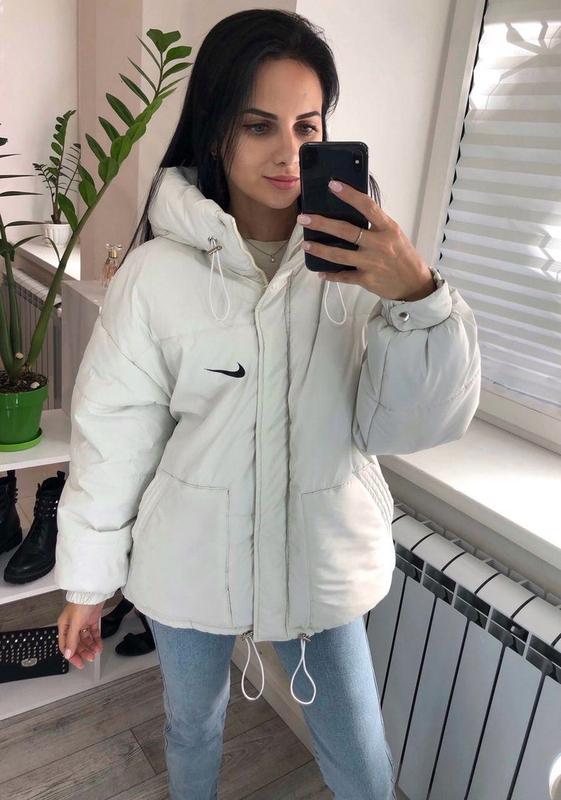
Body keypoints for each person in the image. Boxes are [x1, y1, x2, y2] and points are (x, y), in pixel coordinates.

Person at [55, 9, 481, 799]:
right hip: (188, 556)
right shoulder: (155, 276)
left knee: (360, 757)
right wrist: (87, 582)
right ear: (216, 132)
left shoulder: (366, 268)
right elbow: (116, 435)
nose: (288, 152)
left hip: (318, 555)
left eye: (306, 126)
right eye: (259, 126)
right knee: (192, 726)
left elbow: (407, 425)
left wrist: (419, 299)